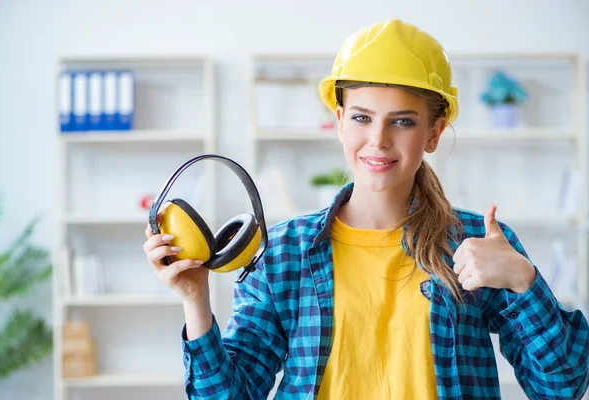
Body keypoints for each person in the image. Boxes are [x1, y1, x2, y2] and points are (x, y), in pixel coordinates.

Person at [143, 19, 589, 400]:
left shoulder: (478, 244)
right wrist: (195, 300)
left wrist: (522, 280)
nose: (378, 139)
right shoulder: (284, 252)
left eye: (402, 121)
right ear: (338, 122)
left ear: (434, 133)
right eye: (361, 117)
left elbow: (562, 388)